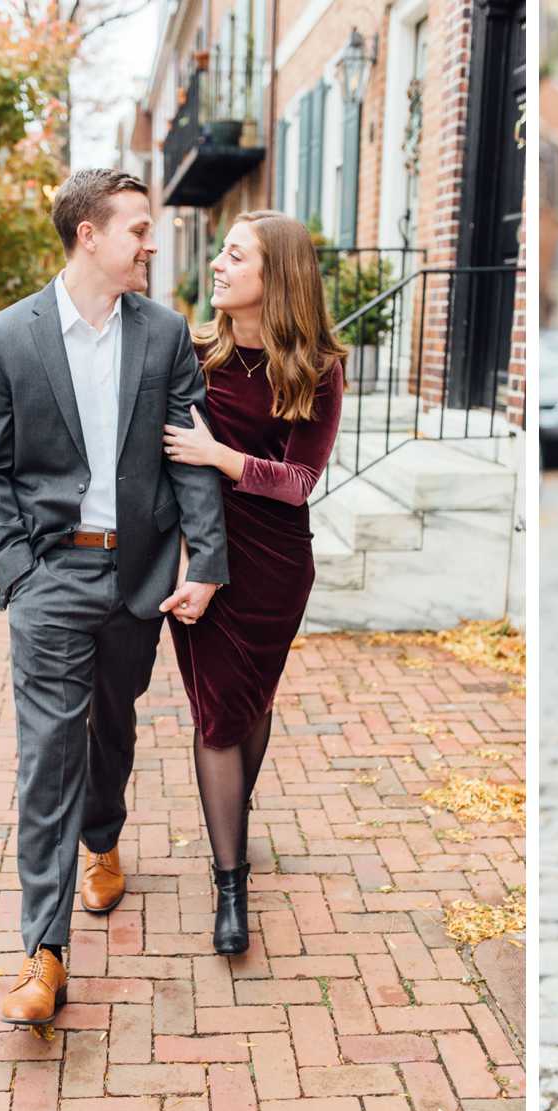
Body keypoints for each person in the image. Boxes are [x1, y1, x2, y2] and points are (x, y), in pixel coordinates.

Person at [0, 168, 229, 1027]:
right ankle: (43, 951)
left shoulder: (164, 333)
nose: (151, 244)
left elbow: (190, 453)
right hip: (50, 577)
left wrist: (204, 563)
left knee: (112, 729)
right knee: (48, 756)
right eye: (138, 229)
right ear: (89, 235)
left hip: (138, 576)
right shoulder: (6, 341)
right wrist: (18, 575)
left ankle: (104, 836)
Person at [160, 210, 346, 954]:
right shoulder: (193, 353)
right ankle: (229, 882)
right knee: (216, 716)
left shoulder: (317, 367)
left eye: (236, 256)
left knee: (251, 700)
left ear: (277, 276)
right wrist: (185, 550)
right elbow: (162, 465)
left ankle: (231, 824)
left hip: (275, 566)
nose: (219, 265)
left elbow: (300, 481)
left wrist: (221, 456)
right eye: (223, 253)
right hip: (202, 560)